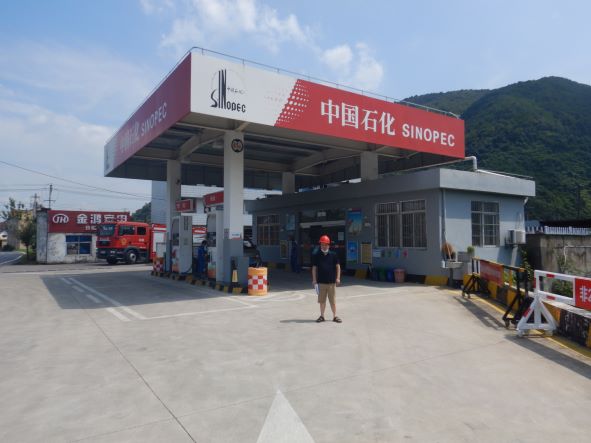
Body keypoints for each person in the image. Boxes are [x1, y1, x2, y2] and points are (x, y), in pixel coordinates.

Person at [312, 235, 342, 323]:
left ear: (328, 245)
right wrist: (314, 280)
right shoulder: (317, 255)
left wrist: (338, 278)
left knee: (333, 301)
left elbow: (338, 266)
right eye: (322, 244)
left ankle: (335, 316)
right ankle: (322, 316)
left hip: (332, 283)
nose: (324, 246)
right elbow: (314, 268)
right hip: (321, 282)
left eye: (325, 244)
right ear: (320, 245)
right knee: (322, 301)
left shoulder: (333, 255)